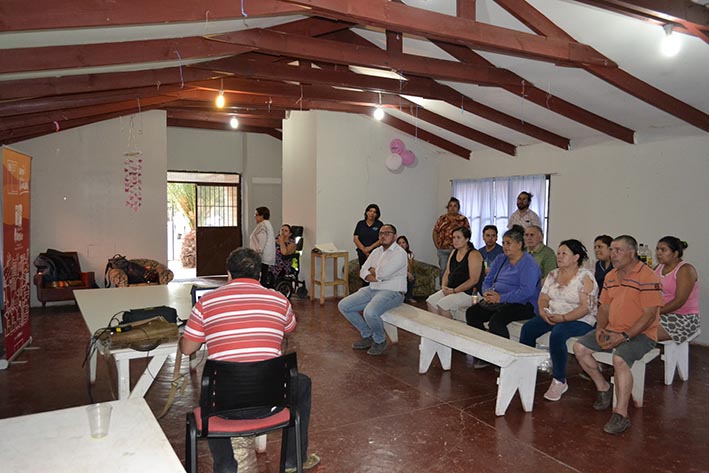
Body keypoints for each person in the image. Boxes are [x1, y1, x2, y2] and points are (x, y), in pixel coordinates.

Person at [179, 248, 320, 473]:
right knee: (302, 383)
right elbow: (289, 328)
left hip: (224, 407)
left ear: (228, 274)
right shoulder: (279, 299)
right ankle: (294, 461)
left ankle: (226, 466)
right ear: (260, 275)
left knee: (209, 395)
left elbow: (188, 349)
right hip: (272, 400)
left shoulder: (206, 303)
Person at [573, 235, 663, 435]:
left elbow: (649, 316)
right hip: (612, 329)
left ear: (631, 253)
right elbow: (604, 307)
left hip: (642, 334)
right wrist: (600, 328)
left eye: (618, 250)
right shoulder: (611, 276)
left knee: (620, 359)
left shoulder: (648, 276)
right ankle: (603, 387)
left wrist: (624, 336)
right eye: (612, 250)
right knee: (579, 348)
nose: (612, 254)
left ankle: (621, 414)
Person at [520, 239, 598, 401]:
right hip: (554, 315)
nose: (559, 256)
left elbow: (586, 307)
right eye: (558, 253)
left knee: (558, 333)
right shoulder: (553, 274)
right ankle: (525, 370)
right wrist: (543, 312)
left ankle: (559, 380)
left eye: (564, 253)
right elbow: (543, 298)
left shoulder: (585, 277)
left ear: (576, 257)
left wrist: (563, 318)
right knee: (528, 328)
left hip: (581, 319)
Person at [465, 225, 541, 368]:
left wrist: (501, 298)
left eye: (509, 243)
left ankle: (504, 359)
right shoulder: (501, 259)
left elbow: (526, 292)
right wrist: (487, 292)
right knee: (472, 313)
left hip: (522, 303)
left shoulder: (528, 264)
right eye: (504, 243)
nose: (505, 246)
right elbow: (487, 280)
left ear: (519, 245)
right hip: (497, 300)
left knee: (496, 321)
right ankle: (484, 353)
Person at [338, 224, 407, 356]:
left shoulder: (400, 254)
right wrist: (373, 274)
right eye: (381, 233)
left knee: (370, 312)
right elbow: (363, 270)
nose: (383, 236)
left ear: (395, 236)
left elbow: (384, 273)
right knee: (344, 305)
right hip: (372, 288)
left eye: (387, 233)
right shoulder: (376, 252)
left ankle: (380, 340)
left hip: (392, 292)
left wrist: (374, 272)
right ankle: (368, 335)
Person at [426, 227, 484, 319]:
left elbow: (474, 280)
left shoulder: (474, 254)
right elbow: (447, 272)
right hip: (452, 289)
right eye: (453, 237)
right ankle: (438, 326)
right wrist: (444, 287)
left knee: (443, 304)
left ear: (467, 239)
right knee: (430, 301)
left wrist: (454, 291)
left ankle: (448, 327)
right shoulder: (454, 252)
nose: (455, 240)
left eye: (458, 237)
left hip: (470, 292)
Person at [654, 236, 700, 343]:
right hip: (663, 313)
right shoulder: (658, 268)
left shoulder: (685, 270)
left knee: (641, 331)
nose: (658, 253)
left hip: (684, 318)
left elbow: (679, 301)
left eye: (663, 250)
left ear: (675, 254)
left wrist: (655, 312)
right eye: (657, 249)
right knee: (629, 323)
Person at [432, 197, 471, 283]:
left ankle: (455, 288)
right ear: (448, 207)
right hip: (443, 250)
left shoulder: (463, 219)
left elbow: (468, 233)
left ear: (458, 208)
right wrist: (437, 245)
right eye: (450, 206)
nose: (452, 208)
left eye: (455, 206)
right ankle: (443, 288)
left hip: (458, 250)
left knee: (457, 270)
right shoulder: (442, 219)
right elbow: (435, 232)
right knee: (444, 269)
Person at [249, 206, 276, 287]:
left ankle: (260, 290)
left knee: (262, 276)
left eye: (256, 214)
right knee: (264, 274)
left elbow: (262, 241)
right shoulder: (266, 224)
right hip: (265, 255)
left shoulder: (262, 226)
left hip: (261, 255)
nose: (255, 217)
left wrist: (258, 253)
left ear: (262, 216)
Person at [397, 235, 416, 303]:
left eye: (403, 242)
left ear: (407, 244)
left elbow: (411, 268)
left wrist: (407, 257)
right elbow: (398, 268)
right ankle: (401, 297)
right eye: (399, 243)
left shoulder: (410, 254)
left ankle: (409, 297)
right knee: (404, 277)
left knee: (412, 277)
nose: (401, 245)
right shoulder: (395, 254)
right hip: (398, 273)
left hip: (406, 273)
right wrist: (407, 273)